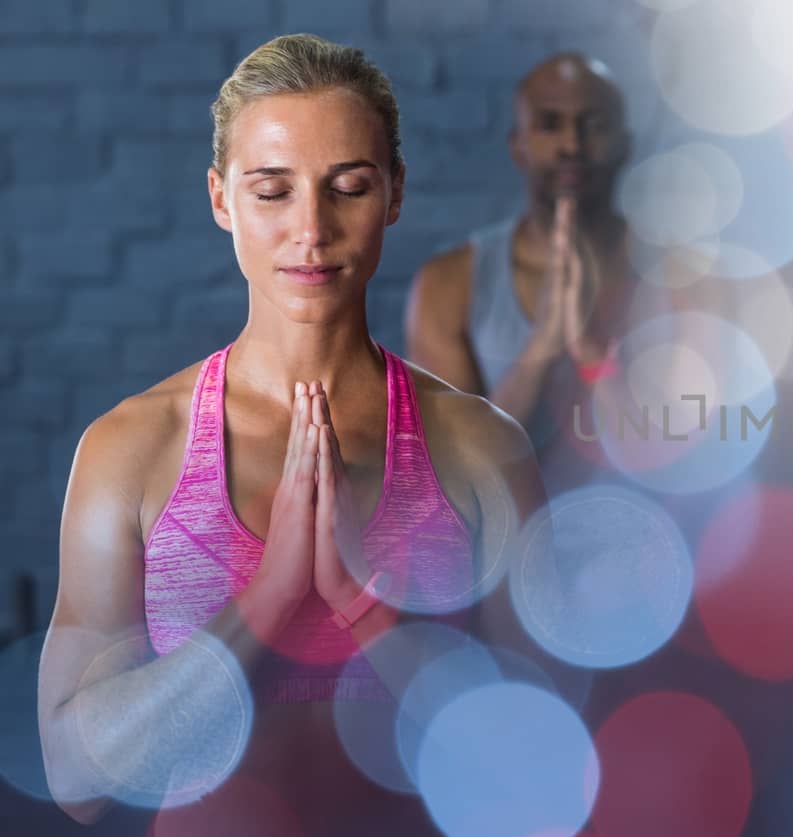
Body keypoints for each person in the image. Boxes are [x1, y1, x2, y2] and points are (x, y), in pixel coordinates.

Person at [38, 34, 544, 834]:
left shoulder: (482, 447)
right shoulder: (129, 449)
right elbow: (75, 774)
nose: (311, 229)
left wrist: (362, 601)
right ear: (220, 199)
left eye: (347, 187)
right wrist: (266, 600)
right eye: (272, 191)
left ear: (396, 193)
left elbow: (537, 761)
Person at [404, 53, 637, 476]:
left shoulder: (681, 279)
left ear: (624, 144)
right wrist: (542, 347)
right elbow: (460, 474)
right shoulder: (448, 284)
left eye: (594, 125)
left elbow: (682, 462)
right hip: (511, 541)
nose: (572, 146)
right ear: (519, 147)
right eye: (550, 124)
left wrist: (591, 352)